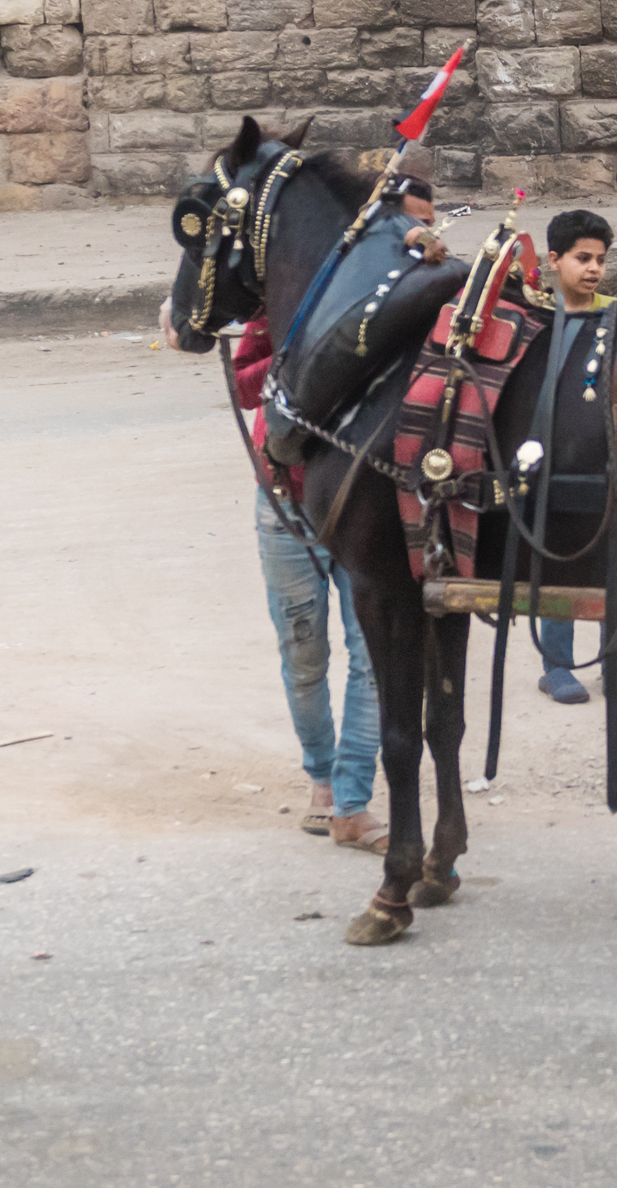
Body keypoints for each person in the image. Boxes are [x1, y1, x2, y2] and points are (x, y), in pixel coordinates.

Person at [164, 174, 453, 852]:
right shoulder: (300, 301)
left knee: (371, 652)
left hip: (364, 505)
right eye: (408, 227)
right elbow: (245, 380)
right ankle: (320, 777)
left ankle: (352, 799)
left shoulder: (404, 309)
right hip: (286, 506)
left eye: (425, 228)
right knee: (304, 655)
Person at [536, 208, 617, 706]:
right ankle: (557, 666)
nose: (593, 268)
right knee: (560, 559)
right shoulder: (536, 317)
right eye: (582, 258)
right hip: (551, 455)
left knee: (616, 557)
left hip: (607, 453)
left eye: (600, 259)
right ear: (554, 260)